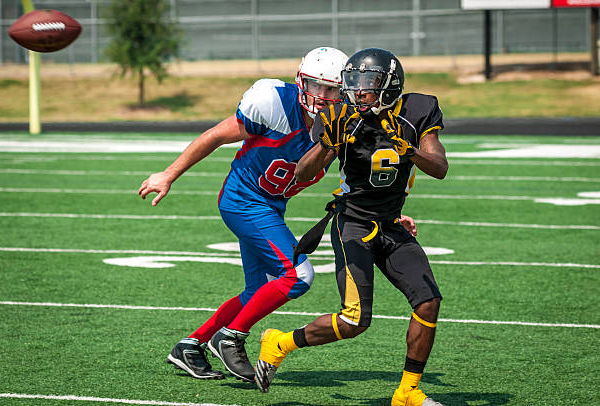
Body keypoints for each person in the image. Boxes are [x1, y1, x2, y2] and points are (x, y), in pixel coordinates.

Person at [139, 46, 418, 383]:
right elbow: (215, 136)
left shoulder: (347, 120)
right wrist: (168, 174)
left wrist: (388, 215)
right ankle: (232, 337)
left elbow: (360, 177)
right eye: (316, 86)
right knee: (298, 276)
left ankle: (191, 345)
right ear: (301, 81)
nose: (323, 96)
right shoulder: (273, 103)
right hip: (244, 199)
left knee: (257, 290)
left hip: (270, 205)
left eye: (331, 89)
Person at [254, 48, 448, 406]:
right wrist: (329, 141)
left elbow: (438, 166)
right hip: (353, 224)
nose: (358, 92)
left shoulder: (417, 111)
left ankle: (408, 391)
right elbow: (303, 173)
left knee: (428, 303)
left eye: (367, 85)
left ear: (389, 87)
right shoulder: (341, 117)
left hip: (390, 223)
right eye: (353, 84)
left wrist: (412, 153)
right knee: (354, 320)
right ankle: (279, 342)